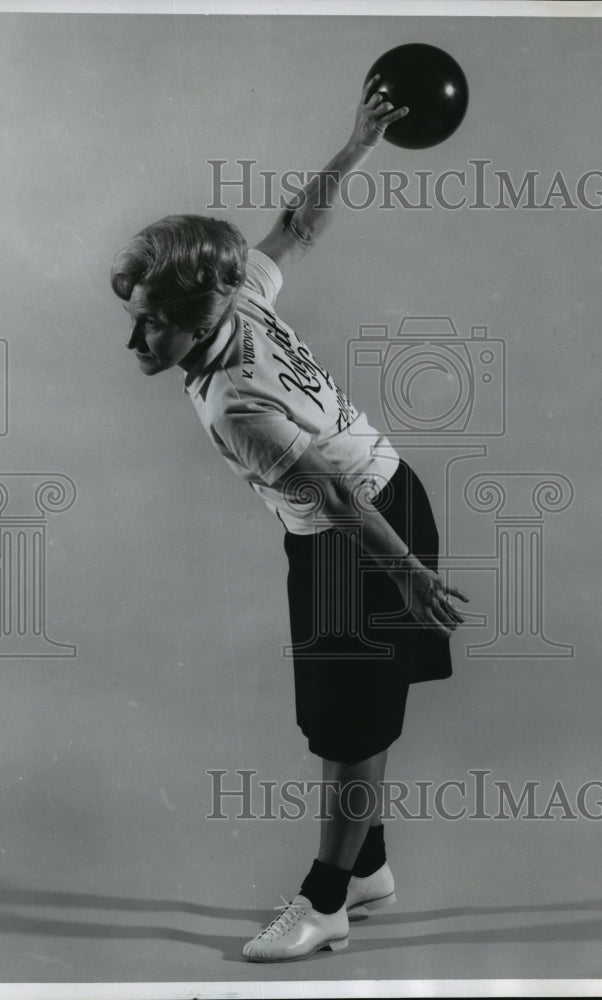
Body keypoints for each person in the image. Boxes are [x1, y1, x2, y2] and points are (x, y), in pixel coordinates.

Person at [110, 74, 469, 963]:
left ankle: (325, 903)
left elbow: (339, 503)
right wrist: (356, 146)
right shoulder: (245, 295)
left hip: (363, 532)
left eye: (152, 326)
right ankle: (369, 865)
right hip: (368, 510)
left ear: (199, 321)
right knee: (348, 718)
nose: (134, 341)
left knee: (349, 732)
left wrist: (410, 577)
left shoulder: (236, 403)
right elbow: (300, 227)